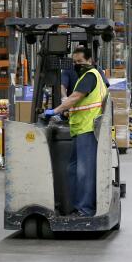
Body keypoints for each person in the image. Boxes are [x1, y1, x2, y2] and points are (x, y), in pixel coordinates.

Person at [44, 46, 107, 217]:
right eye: (74, 62)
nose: (77, 65)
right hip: (79, 129)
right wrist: (66, 111)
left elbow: (75, 97)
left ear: (89, 61)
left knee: (83, 172)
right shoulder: (89, 77)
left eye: (80, 61)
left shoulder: (90, 75)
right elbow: (78, 102)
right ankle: (71, 206)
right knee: (72, 170)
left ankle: (85, 210)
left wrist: (55, 110)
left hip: (88, 129)